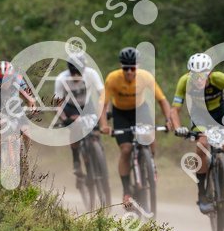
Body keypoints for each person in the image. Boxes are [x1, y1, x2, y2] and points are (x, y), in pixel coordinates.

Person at [99, 47, 177, 207]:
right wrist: (104, 125)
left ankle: (150, 164)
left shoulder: (145, 77)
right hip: (120, 113)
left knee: (149, 135)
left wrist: (169, 120)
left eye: (132, 68)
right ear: (121, 67)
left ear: (138, 66)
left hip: (140, 109)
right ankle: (126, 191)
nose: (129, 72)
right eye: (126, 68)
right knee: (126, 149)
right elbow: (103, 104)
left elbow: (162, 100)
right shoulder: (113, 78)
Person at [172, 53, 224, 214]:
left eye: (203, 75)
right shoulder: (184, 82)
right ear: (189, 74)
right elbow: (175, 109)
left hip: (220, 115)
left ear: (210, 73)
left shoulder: (219, 78)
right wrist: (178, 127)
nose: (199, 79)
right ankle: (202, 193)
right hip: (199, 117)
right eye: (195, 76)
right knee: (202, 145)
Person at [53, 53, 105, 184]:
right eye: (73, 72)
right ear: (69, 70)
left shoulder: (91, 74)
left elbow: (102, 94)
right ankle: (76, 159)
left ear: (84, 69)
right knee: (75, 128)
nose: (76, 75)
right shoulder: (61, 79)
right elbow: (57, 105)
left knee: (95, 129)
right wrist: (65, 119)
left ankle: (97, 150)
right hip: (70, 107)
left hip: (87, 105)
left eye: (79, 72)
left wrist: (103, 112)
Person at [0, 60, 37, 177]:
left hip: (15, 108)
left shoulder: (18, 79)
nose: (4, 82)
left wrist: (32, 106)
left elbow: (30, 98)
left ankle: (25, 155)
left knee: (27, 132)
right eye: (0, 79)